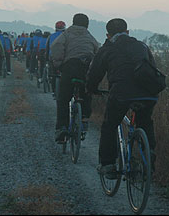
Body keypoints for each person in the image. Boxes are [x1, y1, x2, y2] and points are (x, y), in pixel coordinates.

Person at [86, 18, 159, 179]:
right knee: (146, 122)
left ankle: (108, 164)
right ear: (127, 32)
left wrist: (91, 89)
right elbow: (153, 67)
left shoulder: (107, 48)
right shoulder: (141, 46)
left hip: (121, 93)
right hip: (149, 93)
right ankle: (149, 156)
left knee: (110, 125)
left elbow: (95, 73)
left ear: (108, 34)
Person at [50, 13, 99, 143]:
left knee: (63, 99)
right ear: (87, 24)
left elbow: (56, 47)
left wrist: (58, 64)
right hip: (86, 68)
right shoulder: (90, 36)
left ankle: (62, 128)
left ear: (72, 22)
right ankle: (84, 121)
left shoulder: (66, 34)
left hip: (70, 68)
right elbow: (97, 51)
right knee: (86, 94)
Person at [46, 21, 66, 98]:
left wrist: (47, 59)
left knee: (54, 74)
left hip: (52, 58)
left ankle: (54, 91)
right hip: (64, 58)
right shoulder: (66, 36)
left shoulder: (51, 36)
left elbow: (47, 48)